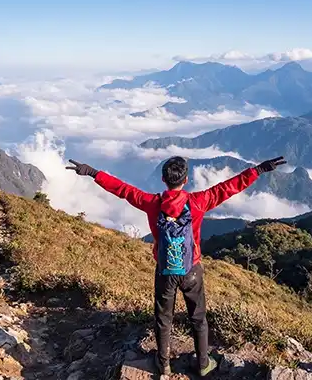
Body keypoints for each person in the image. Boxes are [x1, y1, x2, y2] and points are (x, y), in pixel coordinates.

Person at [66, 155, 286, 376]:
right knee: (198, 318)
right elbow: (228, 188)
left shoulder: (152, 203)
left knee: (163, 319)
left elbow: (123, 190)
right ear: (186, 179)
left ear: (163, 179)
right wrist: (258, 170)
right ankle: (202, 364)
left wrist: (93, 172)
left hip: (165, 270)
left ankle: (163, 363)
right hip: (192, 269)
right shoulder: (199, 201)